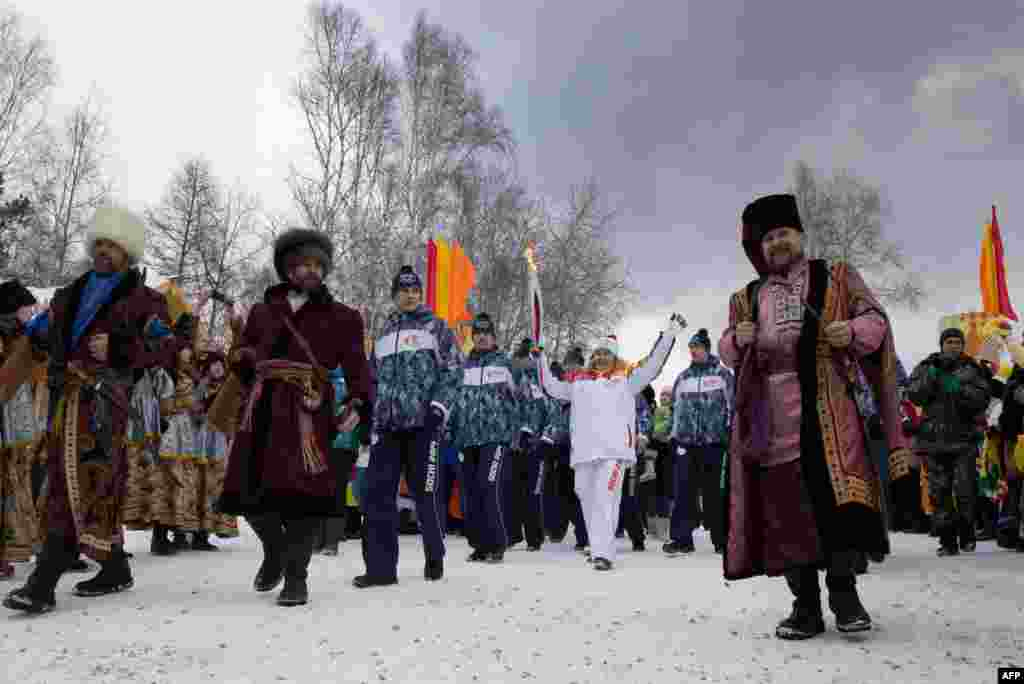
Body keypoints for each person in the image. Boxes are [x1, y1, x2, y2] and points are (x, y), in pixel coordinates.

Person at [720, 193, 912, 639]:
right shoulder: (746, 297)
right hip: (771, 419)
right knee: (786, 511)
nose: (777, 244)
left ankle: (845, 598)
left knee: (835, 504)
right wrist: (737, 338)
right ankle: (804, 606)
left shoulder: (837, 276)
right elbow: (727, 349)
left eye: (784, 234)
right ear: (760, 248)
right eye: (768, 238)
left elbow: (876, 320)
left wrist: (853, 331)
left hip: (829, 409)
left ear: (800, 236)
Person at [5, 207, 192, 614]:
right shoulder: (69, 293)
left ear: (129, 253)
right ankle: (114, 569)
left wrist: (121, 349)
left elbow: (171, 346)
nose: (105, 251)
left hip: (105, 406)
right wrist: (25, 332)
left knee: (74, 486)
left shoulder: (146, 301)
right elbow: (40, 336)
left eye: (114, 245)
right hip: (63, 402)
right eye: (100, 244)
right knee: (85, 486)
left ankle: (42, 584)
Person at [216, 228, 373, 606]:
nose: (311, 270)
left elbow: (357, 369)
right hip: (263, 408)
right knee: (249, 492)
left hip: (308, 409)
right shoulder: (261, 311)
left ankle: (297, 578)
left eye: (318, 264)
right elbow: (246, 361)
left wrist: (358, 403)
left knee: (304, 497)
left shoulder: (344, 317)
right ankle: (276, 551)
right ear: (287, 268)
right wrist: (239, 355)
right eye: (303, 263)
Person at [538, 322, 683, 571]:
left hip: (614, 453)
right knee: (587, 497)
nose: (600, 358)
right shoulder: (579, 385)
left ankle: (603, 553)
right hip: (584, 454)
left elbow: (653, 365)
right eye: (597, 354)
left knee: (606, 498)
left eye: (606, 354)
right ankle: (598, 548)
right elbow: (550, 386)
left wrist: (668, 334)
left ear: (615, 358)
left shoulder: (626, 381)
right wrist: (540, 356)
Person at [354, 266, 462, 588]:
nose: (410, 295)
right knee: (377, 495)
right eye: (403, 290)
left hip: (423, 426)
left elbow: (454, 370)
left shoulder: (437, 327)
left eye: (415, 290)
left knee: (425, 495)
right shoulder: (385, 332)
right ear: (394, 294)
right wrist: (367, 417)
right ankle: (381, 569)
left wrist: (438, 409)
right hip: (387, 427)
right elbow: (372, 378)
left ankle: (435, 555)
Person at [906, 328, 992, 556]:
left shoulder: (973, 369)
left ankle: (967, 535)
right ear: (942, 344)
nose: (954, 346)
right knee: (939, 493)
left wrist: (960, 390)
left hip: (964, 442)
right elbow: (914, 394)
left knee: (965, 490)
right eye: (949, 341)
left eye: (957, 342)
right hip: (934, 442)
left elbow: (983, 398)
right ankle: (947, 540)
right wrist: (931, 378)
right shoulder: (927, 366)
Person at [450, 314, 522, 563]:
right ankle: (479, 544)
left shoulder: (505, 364)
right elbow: (455, 400)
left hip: (495, 437)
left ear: (493, 337)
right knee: (470, 492)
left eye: (486, 333)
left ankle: (497, 543)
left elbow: (522, 399)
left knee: (488, 486)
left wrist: (516, 431)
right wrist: (451, 430)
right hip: (468, 438)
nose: (481, 337)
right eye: (477, 333)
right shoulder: (464, 365)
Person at [665, 328, 734, 555]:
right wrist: (673, 436)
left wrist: (731, 433)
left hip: (714, 443)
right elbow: (674, 409)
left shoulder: (722, 375)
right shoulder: (683, 378)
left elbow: (734, 406)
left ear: (707, 349)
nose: (694, 351)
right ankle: (681, 539)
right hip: (686, 443)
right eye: (691, 348)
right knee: (683, 490)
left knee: (715, 492)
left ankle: (722, 539)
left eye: (698, 347)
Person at [0, 281, 45, 580]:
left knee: (11, 487)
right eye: (26, 307)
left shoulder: (22, 338)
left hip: (16, 428)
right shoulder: (9, 341)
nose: (31, 312)